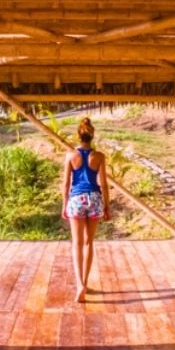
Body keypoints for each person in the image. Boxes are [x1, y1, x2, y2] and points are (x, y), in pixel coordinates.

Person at [61, 117, 109, 302]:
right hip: (95, 199)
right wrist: (107, 206)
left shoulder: (71, 156)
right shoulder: (99, 157)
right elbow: (103, 184)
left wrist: (64, 205)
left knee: (77, 243)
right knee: (89, 243)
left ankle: (79, 284)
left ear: (79, 135)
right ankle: (85, 282)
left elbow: (66, 184)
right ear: (92, 135)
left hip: (77, 199)